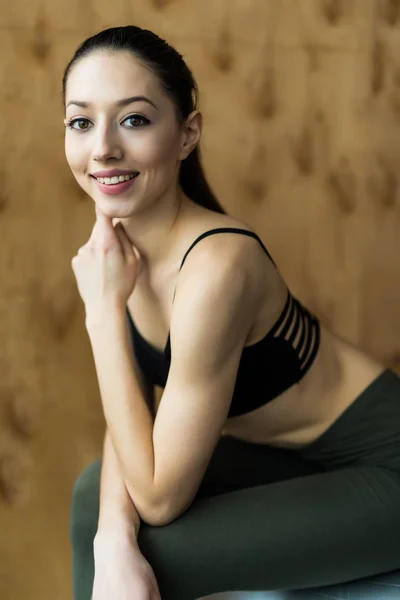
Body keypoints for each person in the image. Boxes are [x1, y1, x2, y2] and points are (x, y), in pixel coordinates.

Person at [64, 25, 400, 600]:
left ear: (187, 133)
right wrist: (110, 537)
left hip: (381, 470)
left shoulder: (217, 267)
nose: (103, 149)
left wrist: (101, 315)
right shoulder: (119, 249)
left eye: (135, 119)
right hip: (285, 462)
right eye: (81, 121)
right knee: (93, 499)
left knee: (158, 549)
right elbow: (133, 417)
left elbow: (160, 497)